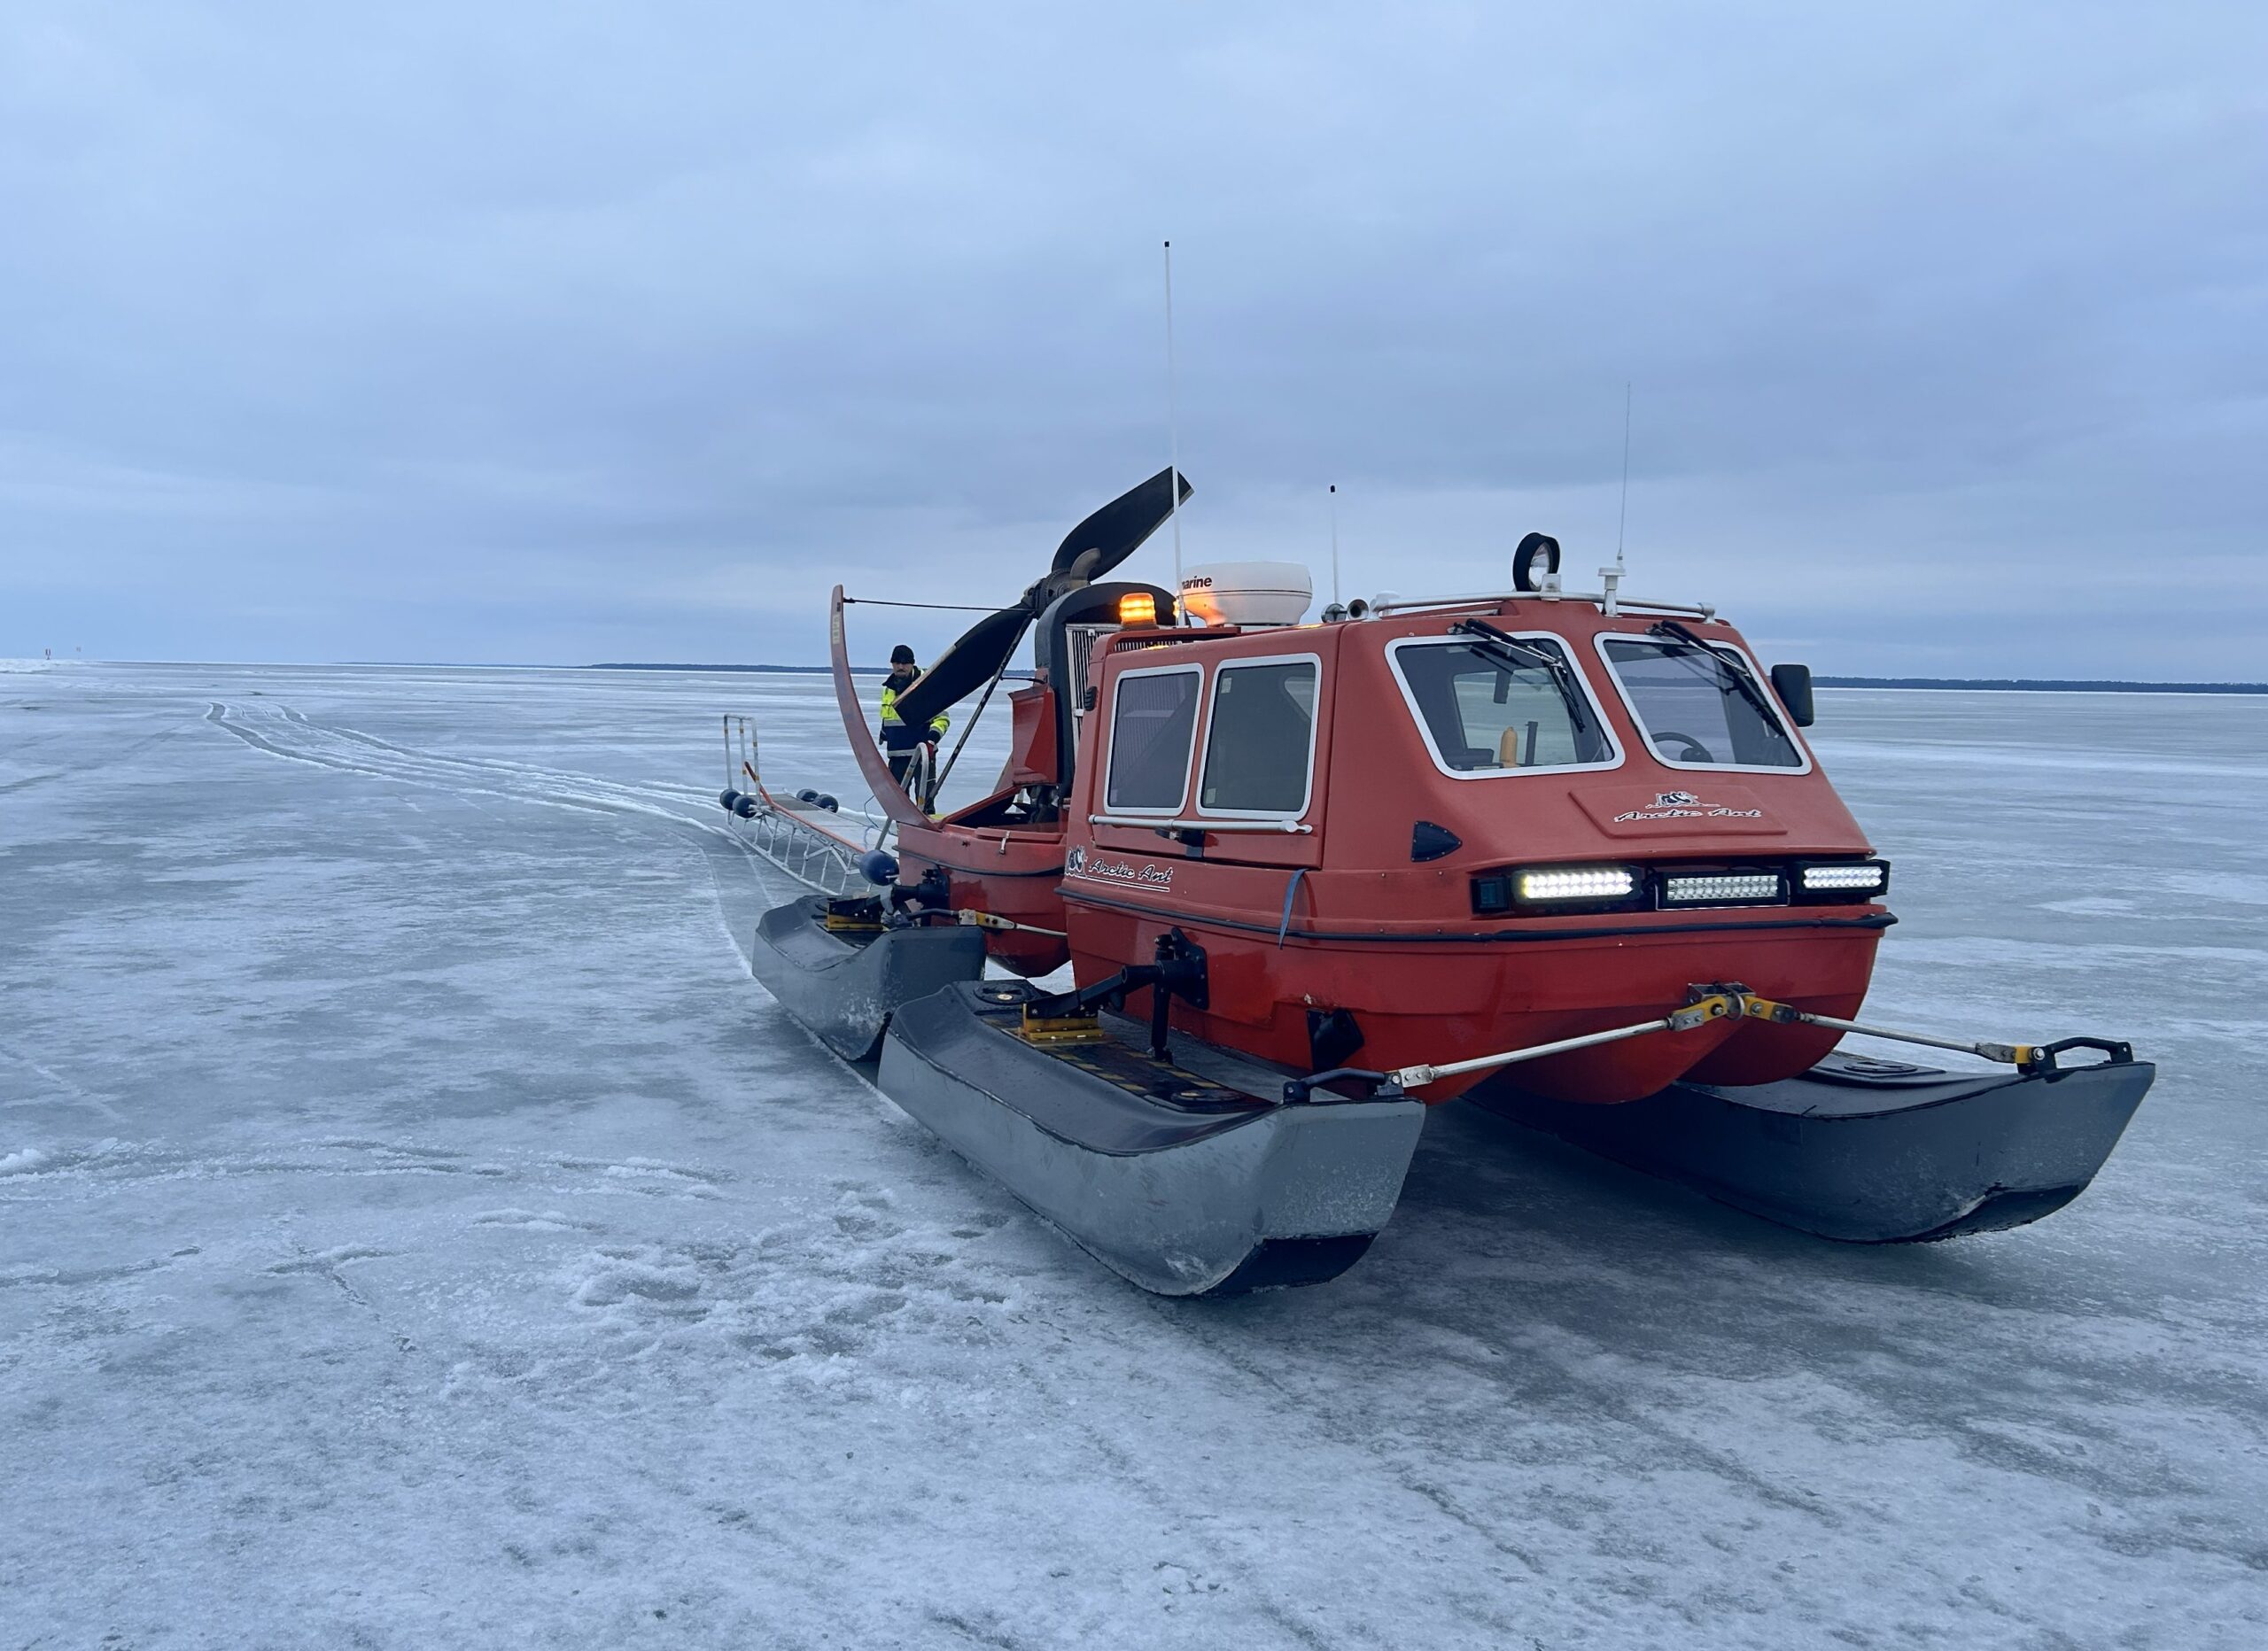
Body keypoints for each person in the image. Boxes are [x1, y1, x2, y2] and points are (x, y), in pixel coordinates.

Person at [879, 644, 950, 798]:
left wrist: (932, 740)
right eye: (897, 663)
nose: (901, 666)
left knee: (925, 799)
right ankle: (901, 823)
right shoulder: (889, 688)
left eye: (905, 663)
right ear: (892, 664)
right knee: (899, 801)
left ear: (912, 664)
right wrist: (884, 733)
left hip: (922, 754)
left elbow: (942, 718)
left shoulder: (926, 684)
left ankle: (926, 821)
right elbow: (889, 716)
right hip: (897, 754)